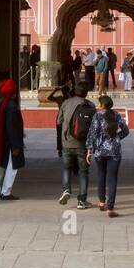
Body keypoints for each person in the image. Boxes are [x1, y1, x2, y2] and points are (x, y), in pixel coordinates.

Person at [87, 96, 130, 218]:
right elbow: (126, 131)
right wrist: (116, 139)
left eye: (99, 103)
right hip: (114, 151)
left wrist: (89, 150)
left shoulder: (97, 116)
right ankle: (110, 208)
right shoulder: (116, 115)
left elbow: (92, 134)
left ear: (102, 105)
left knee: (101, 174)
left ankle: (101, 202)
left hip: (100, 151)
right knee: (112, 178)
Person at [56, 80, 96, 209]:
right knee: (83, 172)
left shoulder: (66, 103)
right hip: (82, 144)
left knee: (66, 168)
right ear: (86, 93)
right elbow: (94, 126)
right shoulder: (90, 105)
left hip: (67, 142)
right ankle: (82, 200)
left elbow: (59, 122)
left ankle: (66, 190)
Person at [0, 77, 24, 200]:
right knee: (12, 167)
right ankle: (6, 192)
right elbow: (12, 128)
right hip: (10, 142)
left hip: (1, 140)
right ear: (14, 93)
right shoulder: (12, 107)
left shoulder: (1, 103)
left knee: (0, 165)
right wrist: (16, 146)